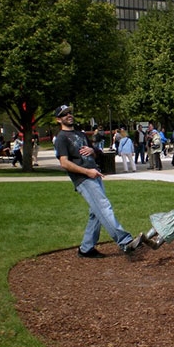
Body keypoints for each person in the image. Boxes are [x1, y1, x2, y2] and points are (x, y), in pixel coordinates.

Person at [53, 104, 144, 257]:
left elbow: (96, 153)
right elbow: (64, 163)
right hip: (83, 178)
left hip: (94, 174)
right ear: (58, 120)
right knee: (103, 207)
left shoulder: (80, 135)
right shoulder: (61, 138)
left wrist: (92, 151)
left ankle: (86, 248)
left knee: (96, 213)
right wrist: (87, 171)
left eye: (69, 113)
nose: (68, 115)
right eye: (64, 114)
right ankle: (125, 241)